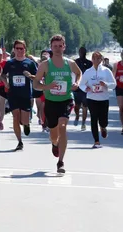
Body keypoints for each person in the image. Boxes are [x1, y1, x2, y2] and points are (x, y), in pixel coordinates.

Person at [33, 34, 82, 174]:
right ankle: (55, 144)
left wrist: (76, 83)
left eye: (60, 46)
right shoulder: (45, 65)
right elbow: (36, 83)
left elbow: (79, 73)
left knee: (63, 125)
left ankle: (60, 162)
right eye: (55, 46)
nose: (58, 49)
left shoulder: (70, 63)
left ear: (64, 47)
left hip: (66, 100)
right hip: (51, 102)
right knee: (54, 134)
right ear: (51, 48)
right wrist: (47, 87)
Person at [0, 40, 38, 151]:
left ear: (25, 50)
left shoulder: (29, 63)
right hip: (13, 94)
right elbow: (2, 74)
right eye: (17, 48)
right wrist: (6, 83)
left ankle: (26, 125)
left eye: (21, 48)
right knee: (15, 117)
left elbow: (37, 77)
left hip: (25, 94)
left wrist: (30, 75)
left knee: (24, 119)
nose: (19, 50)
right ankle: (20, 142)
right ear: (14, 49)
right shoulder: (10, 63)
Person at [79, 51, 116, 148]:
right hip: (92, 98)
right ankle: (96, 141)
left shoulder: (106, 71)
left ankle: (103, 127)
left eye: (98, 59)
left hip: (103, 98)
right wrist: (85, 88)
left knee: (103, 120)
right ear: (92, 60)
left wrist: (106, 84)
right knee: (93, 119)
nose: (96, 61)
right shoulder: (88, 72)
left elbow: (114, 84)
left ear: (101, 60)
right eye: (94, 58)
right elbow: (81, 84)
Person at [73, 47, 93, 130]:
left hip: (85, 87)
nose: (82, 53)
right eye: (81, 52)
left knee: (85, 106)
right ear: (79, 52)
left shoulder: (89, 63)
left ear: (85, 53)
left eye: (83, 52)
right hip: (77, 86)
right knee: (77, 106)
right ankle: (77, 116)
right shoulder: (75, 62)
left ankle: (83, 123)